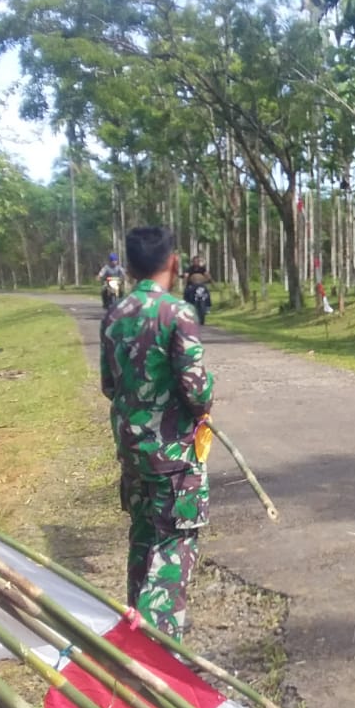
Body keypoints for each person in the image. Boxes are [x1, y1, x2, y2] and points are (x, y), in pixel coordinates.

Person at [100, 227, 215, 640]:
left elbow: (109, 385)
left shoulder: (115, 316)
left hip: (132, 452)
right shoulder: (176, 314)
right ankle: (158, 654)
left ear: (129, 267)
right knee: (173, 547)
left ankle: (133, 637)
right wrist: (201, 406)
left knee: (143, 540)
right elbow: (197, 390)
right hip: (173, 459)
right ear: (173, 262)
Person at [183, 253, 212, 325]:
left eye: (197, 261)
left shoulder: (202, 268)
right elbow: (186, 276)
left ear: (199, 262)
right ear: (193, 262)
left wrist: (209, 279)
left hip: (201, 285)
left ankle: (208, 307)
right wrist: (185, 282)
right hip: (192, 285)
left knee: (207, 292)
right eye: (195, 261)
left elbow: (207, 274)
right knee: (186, 292)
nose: (196, 262)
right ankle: (186, 306)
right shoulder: (189, 269)